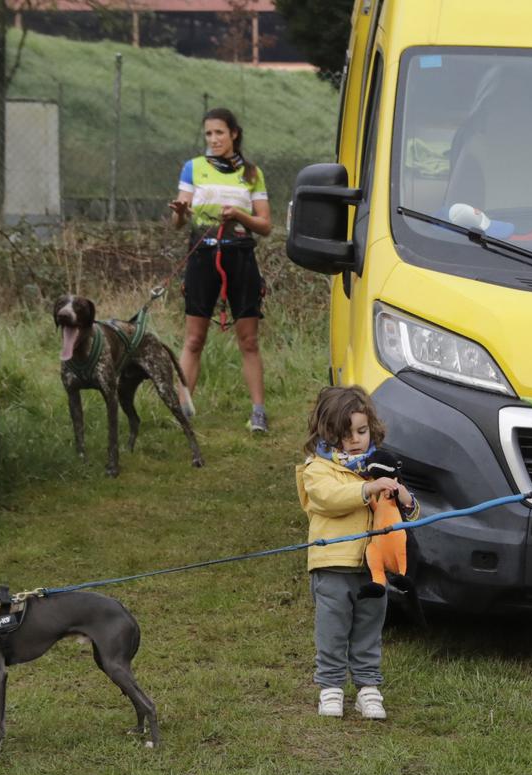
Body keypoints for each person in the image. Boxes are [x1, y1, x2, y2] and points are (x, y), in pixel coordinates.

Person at [296, 385, 413, 721]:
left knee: (369, 627)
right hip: (332, 566)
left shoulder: (379, 466)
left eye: (362, 431)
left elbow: (402, 514)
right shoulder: (317, 468)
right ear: (329, 433)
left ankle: (368, 687)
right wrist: (366, 488)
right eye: (346, 434)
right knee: (332, 630)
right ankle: (330, 687)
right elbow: (328, 498)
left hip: (372, 569)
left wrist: (406, 499)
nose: (356, 439)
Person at [169, 107, 272, 433]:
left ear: (234, 134)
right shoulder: (193, 168)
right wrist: (181, 212)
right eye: (208, 134)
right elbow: (178, 222)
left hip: (240, 257)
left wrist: (240, 216)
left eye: (219, 133)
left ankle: (258, 412)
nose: (213, 139)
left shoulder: (252, 173)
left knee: (249, 340)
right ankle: (182, 411)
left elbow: (265, 225)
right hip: (202, 257)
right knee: (194, 339)